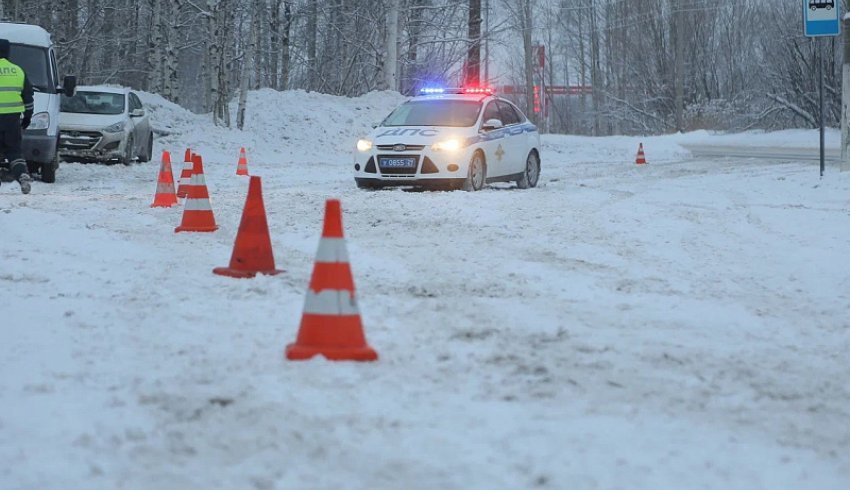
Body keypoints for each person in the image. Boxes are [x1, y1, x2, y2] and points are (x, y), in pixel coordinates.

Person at [0, 38, 35, 194]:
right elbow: (28, 97)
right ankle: (22, 175)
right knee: (14, 151)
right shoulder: (18, 71)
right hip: (11, 120)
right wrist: (27, 117)